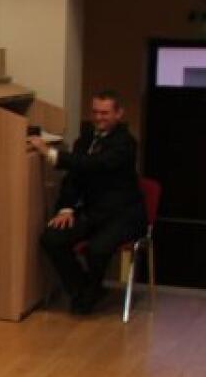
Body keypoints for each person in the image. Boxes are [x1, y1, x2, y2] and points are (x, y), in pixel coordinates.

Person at [29, 90, 149, 315]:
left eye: (105, 113)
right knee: (52, 238)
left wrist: (51, 154)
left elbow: (95, 164)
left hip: (124, 215)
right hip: (94, 212)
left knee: (97, 249)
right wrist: (66, 208)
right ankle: (84, 289)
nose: (98, 117)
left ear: (119, 114)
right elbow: (74, 177)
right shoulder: (84, 140)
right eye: (95, 112)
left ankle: (88, 294)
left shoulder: (125, 143)